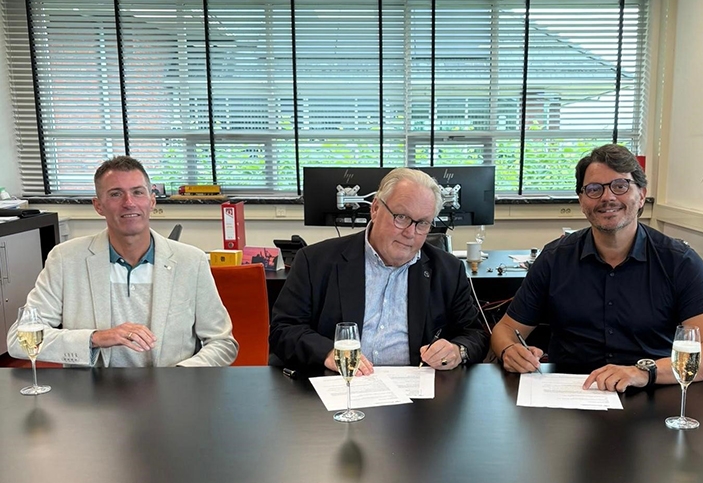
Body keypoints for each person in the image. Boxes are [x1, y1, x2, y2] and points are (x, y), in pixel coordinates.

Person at [491, 144, 703, 391]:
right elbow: (506, 329)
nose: (607, 197)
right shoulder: (554, 258)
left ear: (641, 195)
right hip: (572, 394)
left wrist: (643, 372)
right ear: (582, 201)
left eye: (620, 186)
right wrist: (510, 350)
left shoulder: (679, 262)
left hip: (653, 394)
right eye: (594, 189)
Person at [7, 156, 238, 367]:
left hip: (170, 391)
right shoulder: (65, 259)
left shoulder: (191, 261)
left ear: (152, 201)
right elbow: (18, 339)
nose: (129, 202)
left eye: (138, 192)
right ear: (98, 206)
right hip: (92, 392)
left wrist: (179, 376)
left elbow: (222, 343)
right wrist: (95, 338)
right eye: (116, 194)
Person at [270, 168, 489, 373]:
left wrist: (457, 351)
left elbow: (474, 334)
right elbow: (284, 330)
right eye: (401, 217)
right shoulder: (315, 261)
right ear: (375, 209)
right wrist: (328, 353)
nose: (410, 233)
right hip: (340, 383)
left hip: (417, 390)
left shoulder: (448, 270)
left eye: (422, 223)